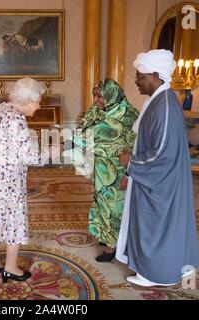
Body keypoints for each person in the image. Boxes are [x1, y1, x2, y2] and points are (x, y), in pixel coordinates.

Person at [116, 49, 199, 286]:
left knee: (155, 224)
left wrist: (130, 163)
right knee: (163, 225)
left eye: (140, 76)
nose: (136, 81)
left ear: (155, 75)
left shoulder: (163, 105)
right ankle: (161, 267)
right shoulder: (160, 100)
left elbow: (162, 153)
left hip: (160, 181)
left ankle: (156, 274)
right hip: (160, 178)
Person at [0, 78, 44, 283]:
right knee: (13, 219)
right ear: (29, 100)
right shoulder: (17, 120)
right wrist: (52, 153)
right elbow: (27, 156)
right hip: (8, 180)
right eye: (38, 101)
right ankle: (11, 268)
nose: (39, 105)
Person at [73, 79, 138, 262]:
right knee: (101, 203)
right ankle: (106, 236)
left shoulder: (125, 114)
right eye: (94, 95)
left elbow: (89, 135)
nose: (95, 100)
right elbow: (85, 126)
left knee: (114, 207)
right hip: (102, 168)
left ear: (111, 95)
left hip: (118, 170)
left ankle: (112, 248)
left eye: (100, 96)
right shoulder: (101, 111)